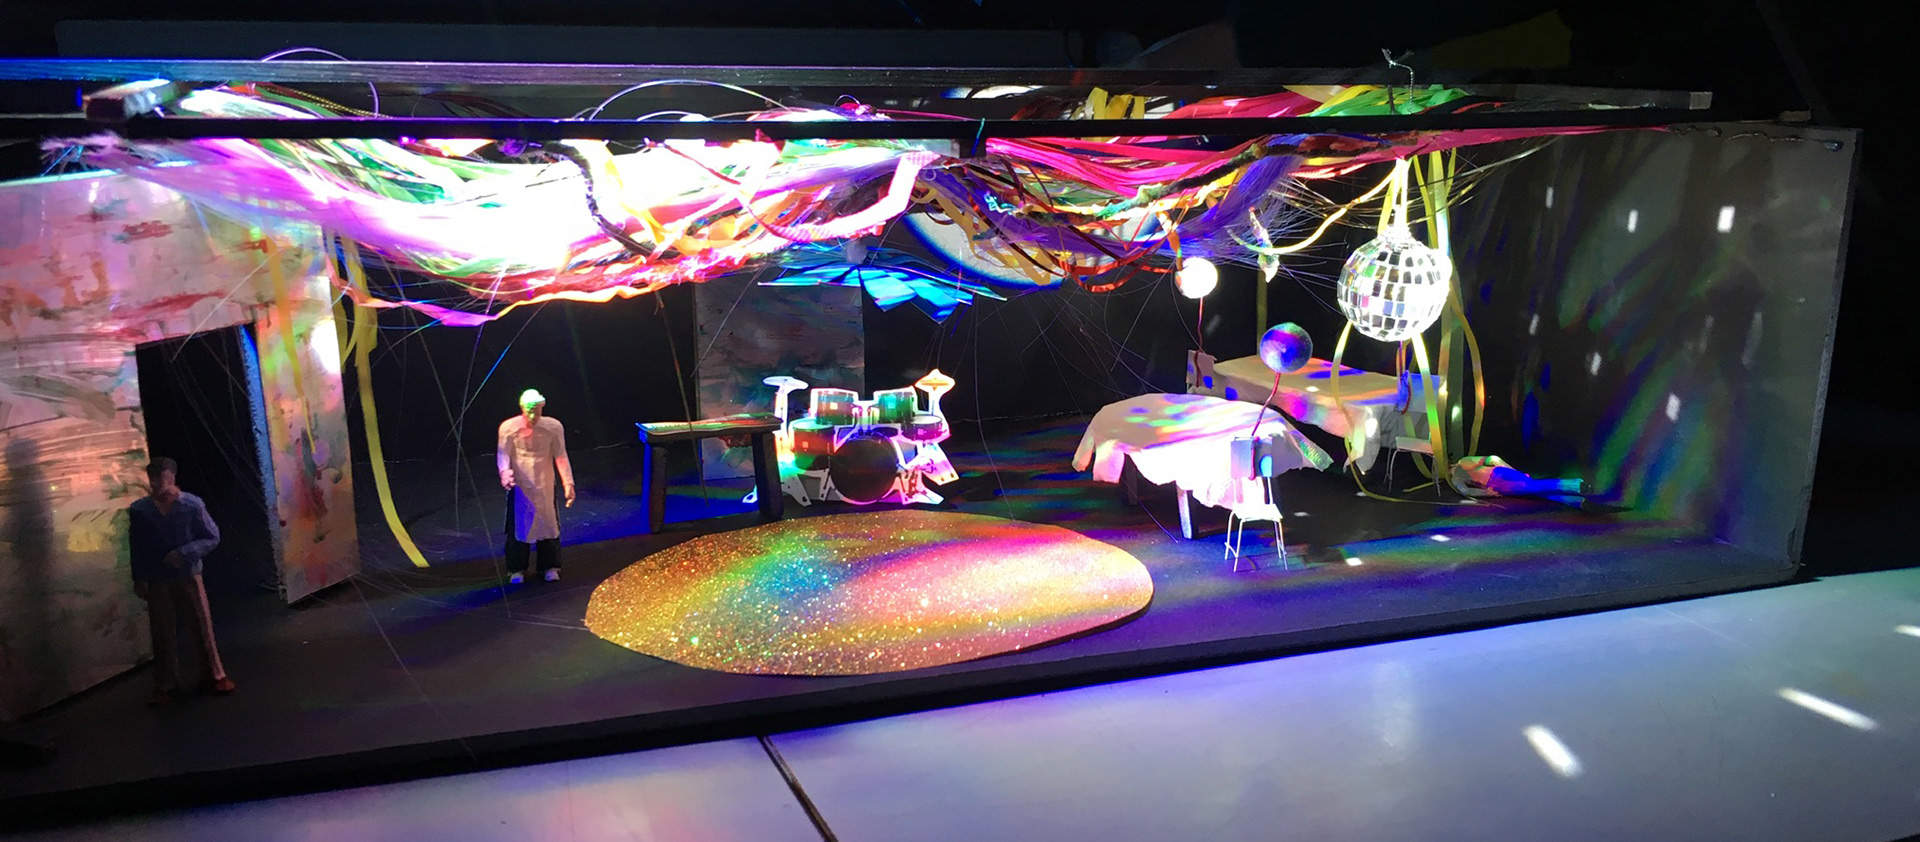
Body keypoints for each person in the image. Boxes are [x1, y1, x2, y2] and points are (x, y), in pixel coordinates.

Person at [128, 457, 234, 706]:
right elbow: (136, 547)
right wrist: (139, 577)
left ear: (172, 477)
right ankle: (166, 683)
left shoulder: (191, 505)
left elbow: (211, 536)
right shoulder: (141, 510)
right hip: (157, 578)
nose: (157, 483)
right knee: (162, 632)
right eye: (153, 477)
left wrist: (185, 553)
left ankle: (214, 675)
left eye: (162, 477)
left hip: (188, 574)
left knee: (201, 624)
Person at [498, 389, 574, 584]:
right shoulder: (509, 428)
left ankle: (550, 565)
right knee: (518, 526)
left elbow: (561, 455)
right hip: (521, 485)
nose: (532, 417)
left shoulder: (553, 427)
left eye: (536, 411)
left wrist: (568, 483)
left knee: (548, 524)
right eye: (528, 411)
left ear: (542, 408)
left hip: (544, 483)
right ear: (522, 408)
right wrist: (504, 472)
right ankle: (516, 567)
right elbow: (503, 454)